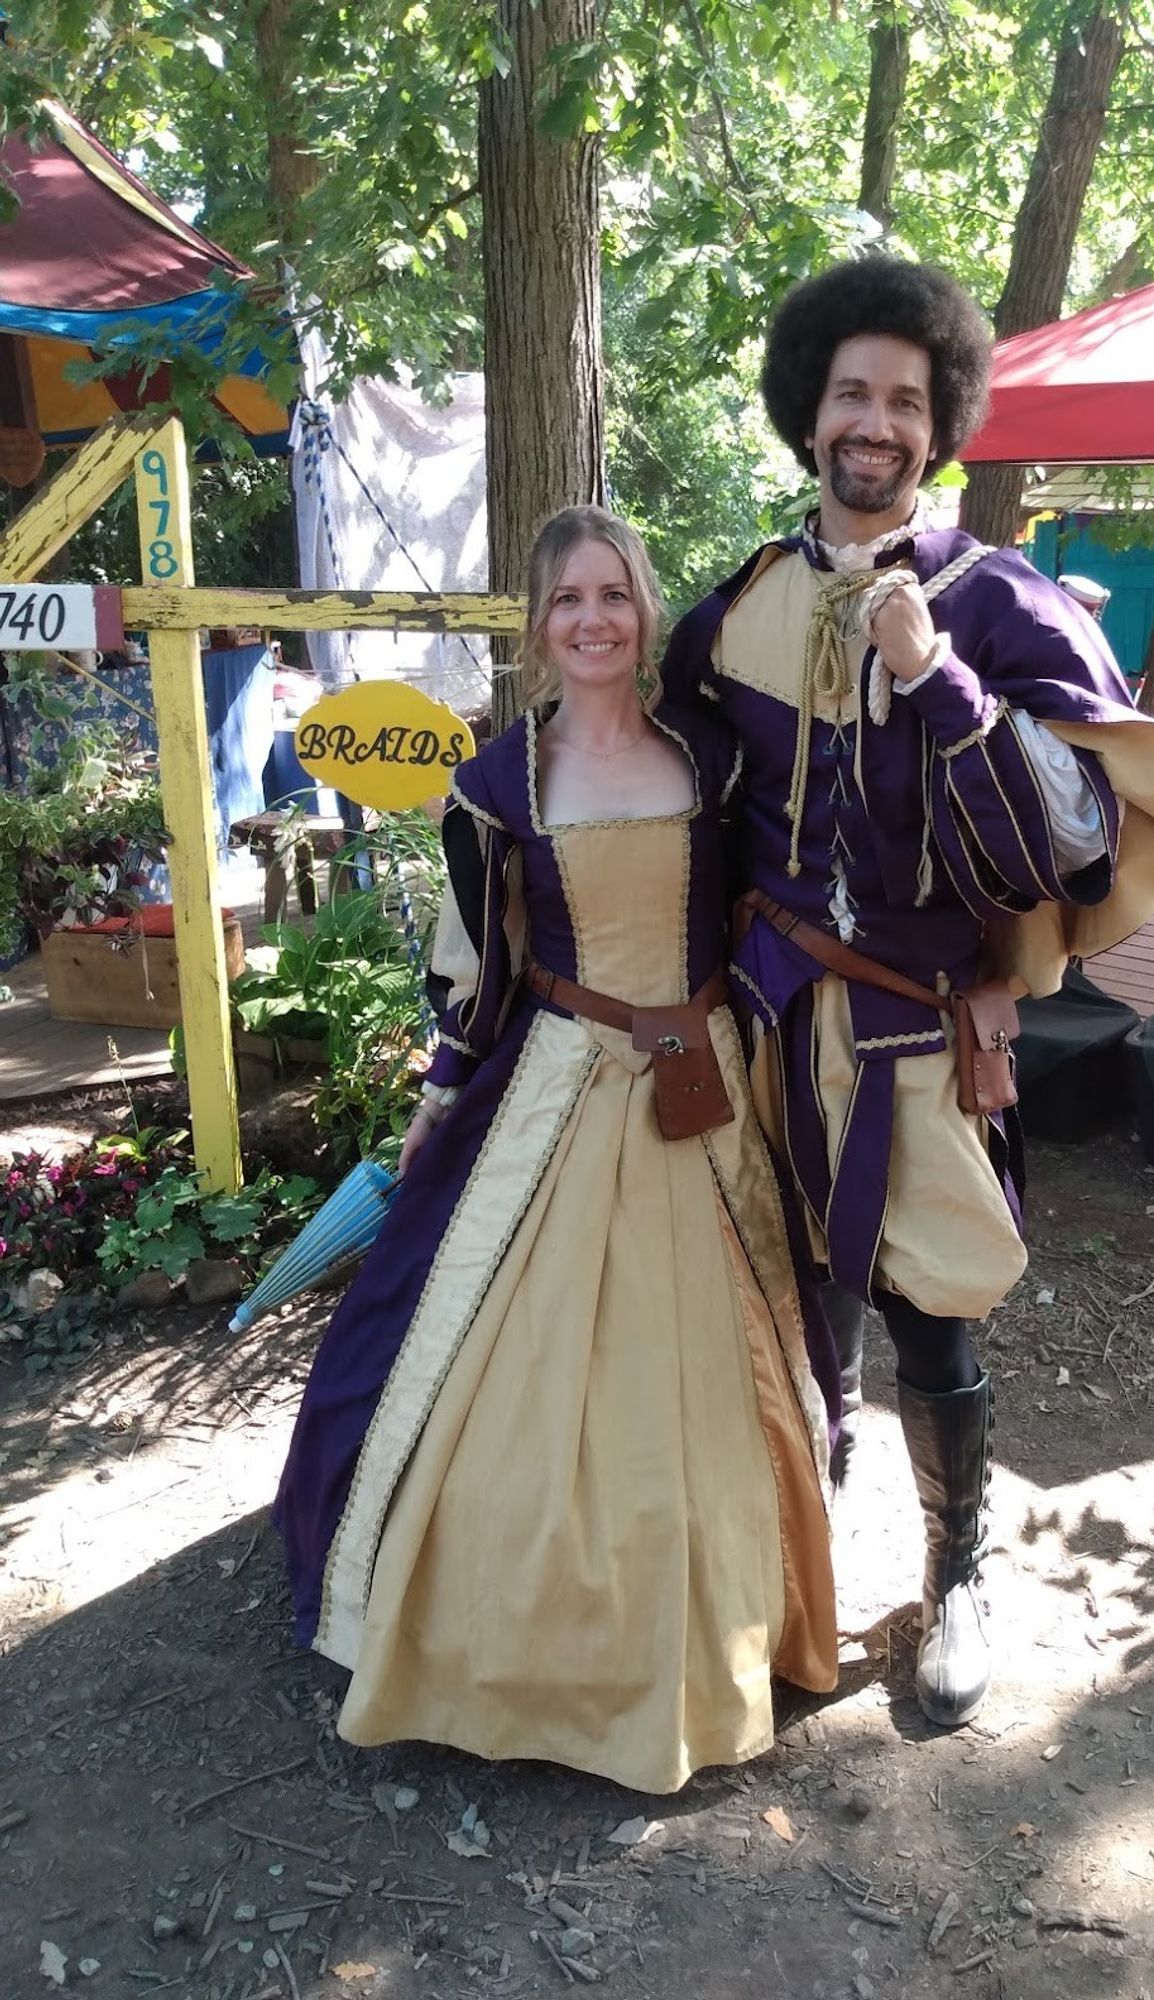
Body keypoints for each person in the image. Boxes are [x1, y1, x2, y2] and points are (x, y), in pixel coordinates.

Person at [661, 256, 1154, 1729]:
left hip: (919, 1025)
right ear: (809, 410)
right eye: (852, 393)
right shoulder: (740, 607)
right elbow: (683, 807)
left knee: (933, 1314)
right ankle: (804, 1559)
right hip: (770, 1015)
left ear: (937, 421)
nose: (876, 422)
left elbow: (1074, 848)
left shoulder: (999, 603)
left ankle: (960, 1576)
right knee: (795, 1304)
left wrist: (942, 679)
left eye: (906, 398)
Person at [274, 507, 838, 1795]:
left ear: (644, 612)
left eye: (615, 595)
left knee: (712, 1364)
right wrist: (442, 1085)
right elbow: (480, 962)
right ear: (538, 625)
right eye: (568, 600)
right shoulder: (494, 784)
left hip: (702, 1087)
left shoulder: (712, 759)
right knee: (478, 1363)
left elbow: (775, 896)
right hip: (560, 1083)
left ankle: (716, 1629)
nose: (593, 619)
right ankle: (492, 1642)